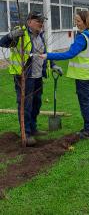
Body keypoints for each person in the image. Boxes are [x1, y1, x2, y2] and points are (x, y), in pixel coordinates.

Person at [0, 11, 63, 146]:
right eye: (38, 21)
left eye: (42, 21)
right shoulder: (20, 33)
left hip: (37, 76)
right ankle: (26, 133)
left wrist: (53, 65)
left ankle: (33, 128)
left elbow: (43, 54)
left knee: (36, 103)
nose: (41, 23)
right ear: (29, 22)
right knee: (25, 105)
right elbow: (3, 43)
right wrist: (11, 35)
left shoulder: (40, 36)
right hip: (24, 77)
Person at [40, 11, 89, 139]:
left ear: (86, 22)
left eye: (78, 21)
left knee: (85, 102)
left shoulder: (82, 38)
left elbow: (69, 54)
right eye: (75, 20)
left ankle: (88, 130)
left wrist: (48, 56)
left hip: (83, 76)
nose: (76, 23)